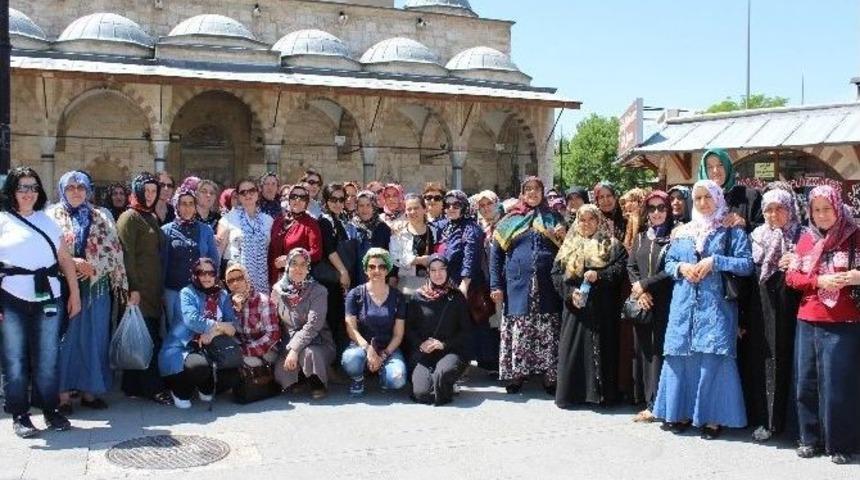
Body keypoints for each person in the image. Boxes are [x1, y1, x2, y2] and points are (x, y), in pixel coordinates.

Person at [652, 179, 752, 440]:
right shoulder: (682, 231)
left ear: (718, 199)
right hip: (683, 305)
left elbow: (746, 265)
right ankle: (681, 412)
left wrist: (716, 262)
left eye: (708, 197)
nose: (703, 202)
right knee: (680, 358)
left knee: (712, 360)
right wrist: (681, 268)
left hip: (715, 307)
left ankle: (712, 417)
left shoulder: (730, 229)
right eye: (697, 198)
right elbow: (669, 263)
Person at [0, 167, 81, 437]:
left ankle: (50, 409)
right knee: (14, 358)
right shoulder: (2, 221)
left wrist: (75, 294)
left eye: (33, 187)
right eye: (22, 187)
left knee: (48, 357)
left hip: (49, 296)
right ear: (12, 190)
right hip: (11, 298)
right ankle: (20, 415)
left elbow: (65, 260)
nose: (28, 193)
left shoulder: (48, 221)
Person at [785, 185, 860, 464]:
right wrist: (818, 281)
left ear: (838, 207)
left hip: (844, 320)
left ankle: (842, 444)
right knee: (806, 381)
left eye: (827, 208)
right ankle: (810, 439)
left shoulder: (855, 236)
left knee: (839, 384)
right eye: (816, 210)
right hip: (809, 318)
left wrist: (856, 277)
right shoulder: (806, 239)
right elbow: (792, 277)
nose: (822, 215)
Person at [49, 171, 128, 415]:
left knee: (95, 338)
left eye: (81, 187)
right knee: (65, 339)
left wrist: (93, 267)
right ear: (62, 190)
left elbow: (114, 249)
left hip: (96, 286)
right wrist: (73, 262)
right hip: (63, 285)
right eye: (70, 187)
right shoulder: (51, 216)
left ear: (88, 190)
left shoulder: (101, 215)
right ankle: (62, 395)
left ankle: (89, 391)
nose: (76, 192)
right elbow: (46, 249)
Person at [490, 177, 565, 393]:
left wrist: (562, 235)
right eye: (528, 189)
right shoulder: (510, 220)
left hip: (548, 284)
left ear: (543, 192)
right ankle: (517, 375)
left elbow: (567, 248)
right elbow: (496, 255)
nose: (532, 193)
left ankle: (550, 377)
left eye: (537, 189)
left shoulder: (554, 218)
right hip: (517, 285)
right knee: (519, 327)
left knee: (548, 328)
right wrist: (495, 285)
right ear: (522, 193)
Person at [553, 204, 628, 407]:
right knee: (573, 349)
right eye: (582, 220)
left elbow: (620, 270)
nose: (586, 224)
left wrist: (599, 275)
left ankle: (603, 395)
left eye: (591, 219)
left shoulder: (612, 245)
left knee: (605, 348)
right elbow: (556, 274)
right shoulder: (568, 246)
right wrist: (570, 293)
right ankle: (573, 395)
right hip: (575, 307)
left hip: (603, 307)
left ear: (598, 220)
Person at [744, 187, 802, 442]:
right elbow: (745, 279)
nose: (774, 214)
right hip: (761, 312)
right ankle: (766, 421)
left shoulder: (803, 236)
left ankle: (792, 424)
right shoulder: (755, 238)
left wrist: (798, 261)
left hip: (794, 314)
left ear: (790, 210)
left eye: (780, 208)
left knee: (792, 363)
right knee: (764, 362)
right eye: (768, 209)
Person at [116, 172, 172, 405]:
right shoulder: (129, 217)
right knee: (148, 338)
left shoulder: (149, 216)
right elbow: (126, 255)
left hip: (152, 288)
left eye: (153, 191)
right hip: (138, 289)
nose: (149, 195)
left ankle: (132, 385)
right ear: (137, 191)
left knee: (141, 335)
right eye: (146, 190)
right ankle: (153, 388)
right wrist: (133, 288)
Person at [158, 258, 239, 408]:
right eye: (201, 273)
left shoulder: (222, 295)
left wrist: (212, 333)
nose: (206, 277)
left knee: (232, 372)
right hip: (185, 346)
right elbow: (192, 320)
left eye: (211, 273)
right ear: (195, 275)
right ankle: (180, 391)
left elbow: (233, 325)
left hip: (213, 345)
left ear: (216, 274)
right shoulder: (187, 293)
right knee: (198, 367)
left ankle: (205, 387)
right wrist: (219, 326)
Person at [626, 190, 675, 422]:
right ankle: (647, 399)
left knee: (659, 352)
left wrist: (645, 285)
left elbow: (671, 270)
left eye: (661, 208)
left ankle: (658, 403)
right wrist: (640, 290)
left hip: (665, 302)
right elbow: (631, 266)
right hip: (643, 302)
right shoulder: (641, 237)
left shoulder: (675, 236)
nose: (657, 213)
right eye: (652, 208)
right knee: (644, 351)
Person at [407, 255, 473, 405]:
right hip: (425, 352)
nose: (438, 274)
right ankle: (437, 383)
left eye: (442, 269)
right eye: (433, 270)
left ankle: (444, 381)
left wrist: (443, 344)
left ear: (447, 271)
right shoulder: (417, 297)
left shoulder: (456, 297)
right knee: (421, 393)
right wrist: (421, 344)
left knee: (442, 375)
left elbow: (466, 332)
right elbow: (409, 329)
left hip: (450, 350)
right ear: (428, 272)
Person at [341, 248, 407, 395]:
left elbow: (398, 335)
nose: (377, 270)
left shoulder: (397, 297)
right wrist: (368, 349)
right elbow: (351, 329)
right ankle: (358, 378)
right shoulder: (355, 294)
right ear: (366, 270)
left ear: (387, 270)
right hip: (361, 346)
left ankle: (384, 376)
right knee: (351, 359)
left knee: (397, 379)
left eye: (381, 266)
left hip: (388, 348)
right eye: (371, 266)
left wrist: (383, 356)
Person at [272, 248, 335, 399]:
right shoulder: (278, 290)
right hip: (289, 342)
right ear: (287, 266)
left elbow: (313, 325)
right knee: (281, 370)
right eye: (294, 263)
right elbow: (273, 319)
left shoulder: (319, 291)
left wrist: (294, 349)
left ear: (308, 268)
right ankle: (301, 378)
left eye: (303, 264)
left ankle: (318, 383)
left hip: (318, 342)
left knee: (309, 355)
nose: (298, 268)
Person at [162, 188, 219, 330]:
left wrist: (211, 286)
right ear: (176, 205)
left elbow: (214, 260)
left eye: (191, 204)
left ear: (195, 206)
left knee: (198, 330)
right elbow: (161, 263)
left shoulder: (206, 230)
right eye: (183, 204)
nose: (187, 208)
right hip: (173, 290)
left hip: (199, 291)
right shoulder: (165, 231)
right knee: (176, 331)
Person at [316, 183, 358, 354]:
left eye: (341, 199)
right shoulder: (325, 221)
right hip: (329, 279)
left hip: (336, 279)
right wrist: (343, 272)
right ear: (326, 201)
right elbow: (329, 250)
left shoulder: (338, 219)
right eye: (333, 199)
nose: (338, 203)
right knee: (332, 319)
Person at [217, 178, 274, 294]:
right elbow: (218, 252)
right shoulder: (228, 219)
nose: (248, 195)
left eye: (251, 191)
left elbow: (271, 251)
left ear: (257, 193)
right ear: (238, 196)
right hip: (235, 279)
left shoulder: (268, 220)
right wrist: (216, 278)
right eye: (243, 192)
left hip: (262, 279)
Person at [225, 263, 281, 367]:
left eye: (239, 278)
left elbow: (273, 335)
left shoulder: (263, 301)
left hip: (265, 348)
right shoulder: (227, 302)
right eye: (230, 281)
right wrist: (237, 310)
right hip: (242, 345)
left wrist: (246, 350)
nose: (235, 283)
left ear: (247, 279)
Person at [268, 184, 322, 287]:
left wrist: (291, 259)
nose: (297, 200)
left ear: (307, 202)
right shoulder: (278, 221)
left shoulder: (311, 224)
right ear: (289, 199)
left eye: (302, 197)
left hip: (298, 280)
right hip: (276, 278)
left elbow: (316, 253)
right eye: (294, 196)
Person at [698, 148, 762, 232]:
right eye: (709, 167)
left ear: (727, 167)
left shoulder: (750, 196)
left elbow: (768, 228)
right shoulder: (698, 200)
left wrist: (745, 224)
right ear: (704, 171)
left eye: (720, 165)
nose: (715, 171)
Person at [389, 193, 435, 298]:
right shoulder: (398, 233)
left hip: (430, 285)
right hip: (405, 286)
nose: (413, 212)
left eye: (416, 208)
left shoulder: (434, 231)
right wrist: (418, 260)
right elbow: (394, 258)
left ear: (424, 209)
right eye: (409, 209)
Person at [352, 191, 392, 284]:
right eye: (361, 205)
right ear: (356, 207)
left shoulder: (383, 228)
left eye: (368, 205)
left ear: (374, 207)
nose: (364, 209)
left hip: (377, 278)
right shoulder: (351, 226)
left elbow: (389, 256)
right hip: (354, 278)